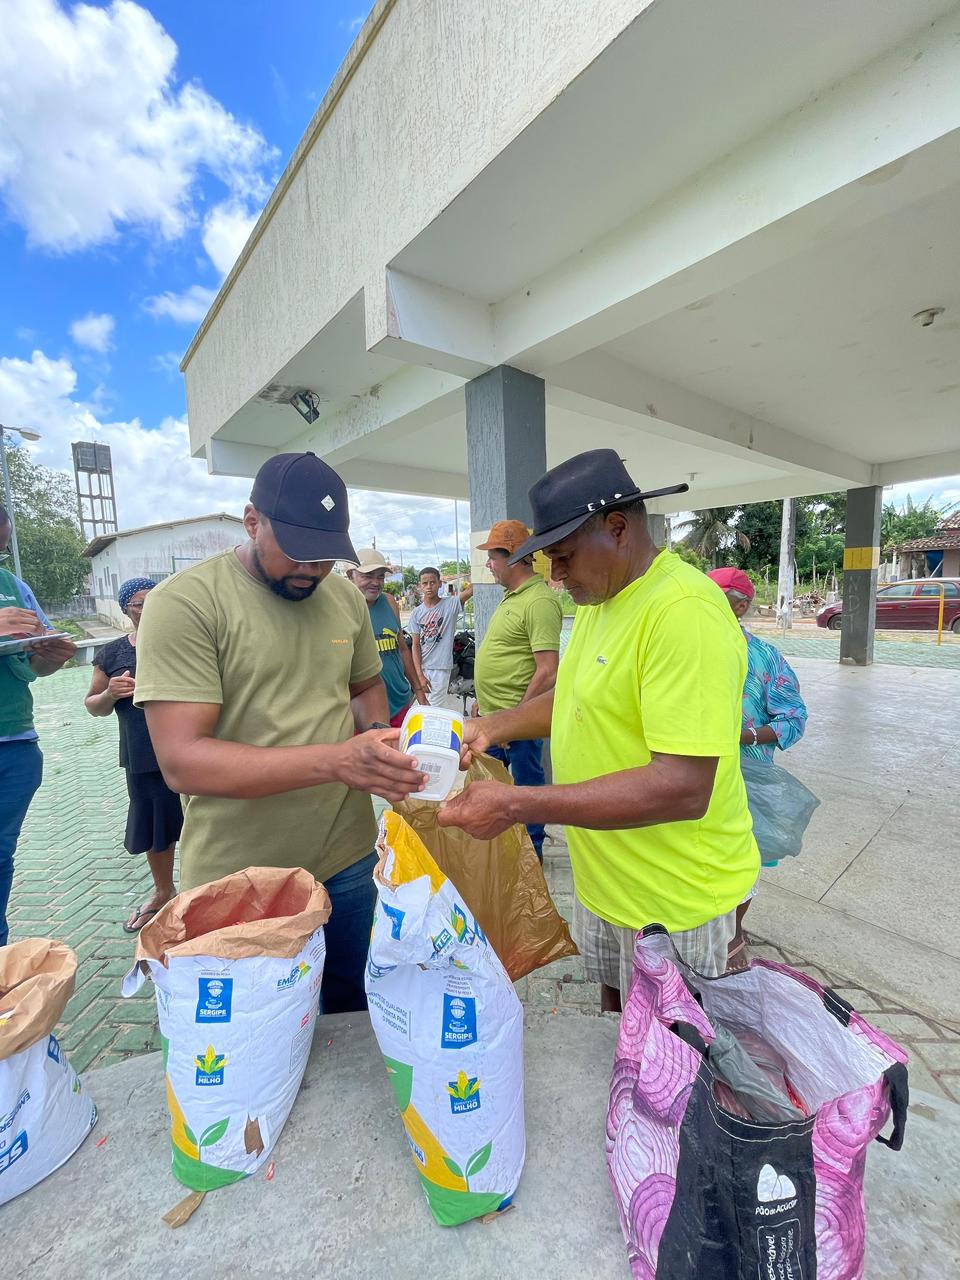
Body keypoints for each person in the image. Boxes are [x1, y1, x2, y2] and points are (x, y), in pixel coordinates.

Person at [437, 450, 759, 1011]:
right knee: (616, 1047)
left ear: (618, 529)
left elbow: (683, 786)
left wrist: (517, 803)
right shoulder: (600, 597)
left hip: (673, 902)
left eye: (562, 557)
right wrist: (491, 726)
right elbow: (578, 696)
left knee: (677, 1078)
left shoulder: (682, 612)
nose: (556, 578)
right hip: (608, 887)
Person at [134, 452, 425, 1013]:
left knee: (350, 1015)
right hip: (240, 875)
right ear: (251, 521)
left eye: (324, 556)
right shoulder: (187, 603)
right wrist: (338, 760)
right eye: (296, 550)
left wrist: (378, 742)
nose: (311, 570)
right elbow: (183, 762)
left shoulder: (343, 597)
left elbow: (365, 689)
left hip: (346, 862)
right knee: (251, 1039)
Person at [707, 566, 808, 966]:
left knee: (742, 859)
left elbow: (793, 719)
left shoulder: (765, 659)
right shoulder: (684, 650)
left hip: (745, 778)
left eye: (716, 600)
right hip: (687, 776)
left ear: (742, 606)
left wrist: (744, 736)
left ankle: (732, 933)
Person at [84, 578, 182, 933]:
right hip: (144, 754)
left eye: (156, 599)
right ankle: (164, 892)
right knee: (156, 826)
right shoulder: (112, 653)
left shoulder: (185, 642)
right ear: (126, 609)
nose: (149, 607)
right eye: (141, 603)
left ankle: (209, 890)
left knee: (211, 819)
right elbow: (93, 706)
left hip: (195, 747)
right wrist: (111, 693)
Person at [0, 503, 77, 946]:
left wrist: (48, 658)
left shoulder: (13, 587)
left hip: (14, 747)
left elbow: (34, 658)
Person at [472, 519, 562, 860]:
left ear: (512, 557)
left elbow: (548, 671)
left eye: (493, 558)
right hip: (495, 720)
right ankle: (505, 855)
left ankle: (532, 856)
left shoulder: (538, 601)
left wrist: (514, 720)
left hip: (516, 727)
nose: (488, 565)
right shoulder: (512, 598)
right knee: (490, 791)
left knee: (527, 791)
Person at [347, 549, 429, 726]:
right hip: (363, 713)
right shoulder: (342, 610)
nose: (376, 583)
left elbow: (401, 649)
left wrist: (419, 691)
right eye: (368, 575)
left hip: (400, 703)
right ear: (350, 575)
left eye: (381, 577)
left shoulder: (390, 602)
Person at [408, 567, 472, 706]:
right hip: (422, 667)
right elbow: (416, 644)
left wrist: (480, 569)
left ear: (439, 584)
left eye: (432, 582)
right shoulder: (416, 613)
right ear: (420, 586)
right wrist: (419, 675)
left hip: (440, 668)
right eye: (425, 583)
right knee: (424, 708)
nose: (429, 586)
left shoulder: (450, 604)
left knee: (433, 710)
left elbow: (471, 591)